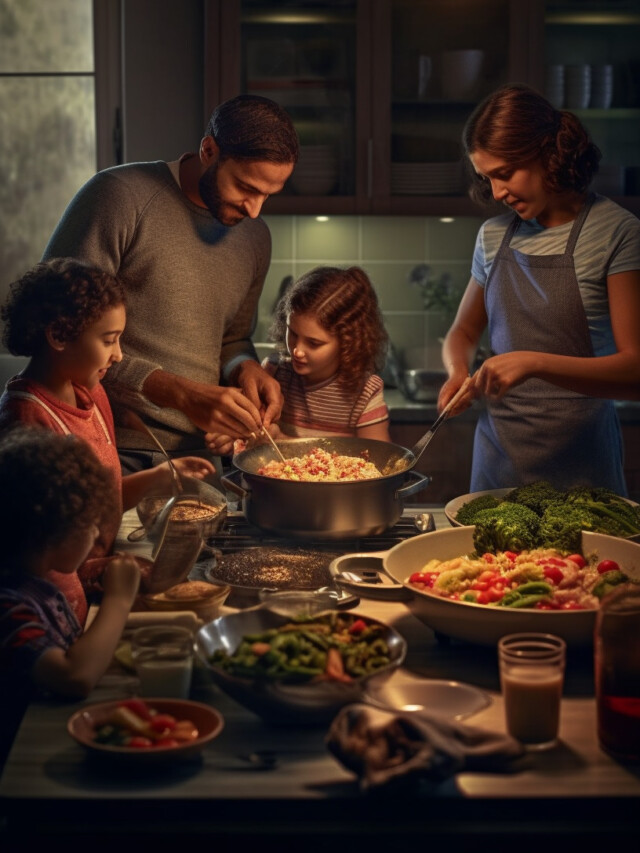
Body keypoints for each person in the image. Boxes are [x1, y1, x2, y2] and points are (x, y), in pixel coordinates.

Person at [41, 94, 299, 474]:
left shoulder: (255, 237)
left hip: (202, 457)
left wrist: (244, 368)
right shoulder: (119, 196)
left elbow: (232, 340)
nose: (255, 209)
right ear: (209, 150)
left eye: (267, 195)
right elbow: (56, 325)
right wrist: (182, 394)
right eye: (246, 187)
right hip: (108, 445)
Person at [439, 83, 640, 493]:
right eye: (487, 178)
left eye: (504, 174)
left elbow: (634, 373)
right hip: (498, 464)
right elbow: (463, 332)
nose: (497, 193)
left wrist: (533, 362)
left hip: (584, 470)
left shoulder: (617, 232)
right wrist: (458, 372)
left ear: (549, 154)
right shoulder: (492, 236)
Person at [0, 258, 215, 624]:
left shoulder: (91, 392)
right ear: (59, 335)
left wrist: (159, 477)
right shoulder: (27, 419)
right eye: (108, 340)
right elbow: (35, 549)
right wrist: (104, 576)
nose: (118, 355)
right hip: (52, 608)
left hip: (91, 586)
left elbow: (99, 501)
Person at [0, 428, 140, 769]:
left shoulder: (40, 587)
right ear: (52, 530)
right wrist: (119, 600)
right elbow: (74, 677)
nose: (96, 534)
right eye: (89, 524)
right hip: (24, 763)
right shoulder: (9, 608)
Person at [208, 266, 391, 454]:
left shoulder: (365, 392)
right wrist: (234, 440)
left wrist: (283, 441)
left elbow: (377, 457)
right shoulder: (274, 371)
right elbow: (253, 442)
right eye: (293, 333)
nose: (297, 351)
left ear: (348, 342)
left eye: (314, 343)